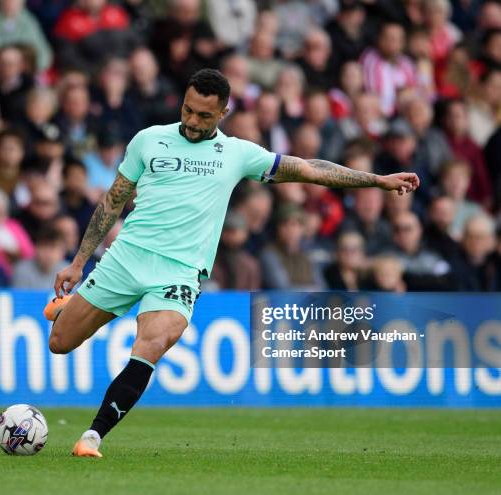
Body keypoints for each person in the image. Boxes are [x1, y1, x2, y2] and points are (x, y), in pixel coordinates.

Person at [43, 69, 420, 458]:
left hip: (179, 272)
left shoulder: (238, 154)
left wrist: (376, 180)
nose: (191, 121)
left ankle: (92, 436)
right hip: (125, 258)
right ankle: (72, 308)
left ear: (223, 113)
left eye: (203, 116)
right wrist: (78, 262)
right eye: (187, 110)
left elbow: (311, 169)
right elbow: (113, 200)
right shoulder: (148, 140)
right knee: (60, 343)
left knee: (153, 342)